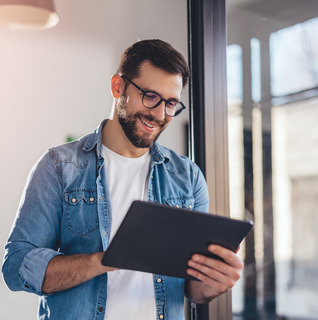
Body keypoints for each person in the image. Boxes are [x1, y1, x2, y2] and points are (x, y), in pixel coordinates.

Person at [2, 39, 243, 320]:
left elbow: (193, 288)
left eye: (171, 103)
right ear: (118, 87)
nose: (160, 114)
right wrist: (107, 259)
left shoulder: (187, 177)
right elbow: (16, 267)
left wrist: (214, 283)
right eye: (150, 96)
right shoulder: (60, 167)